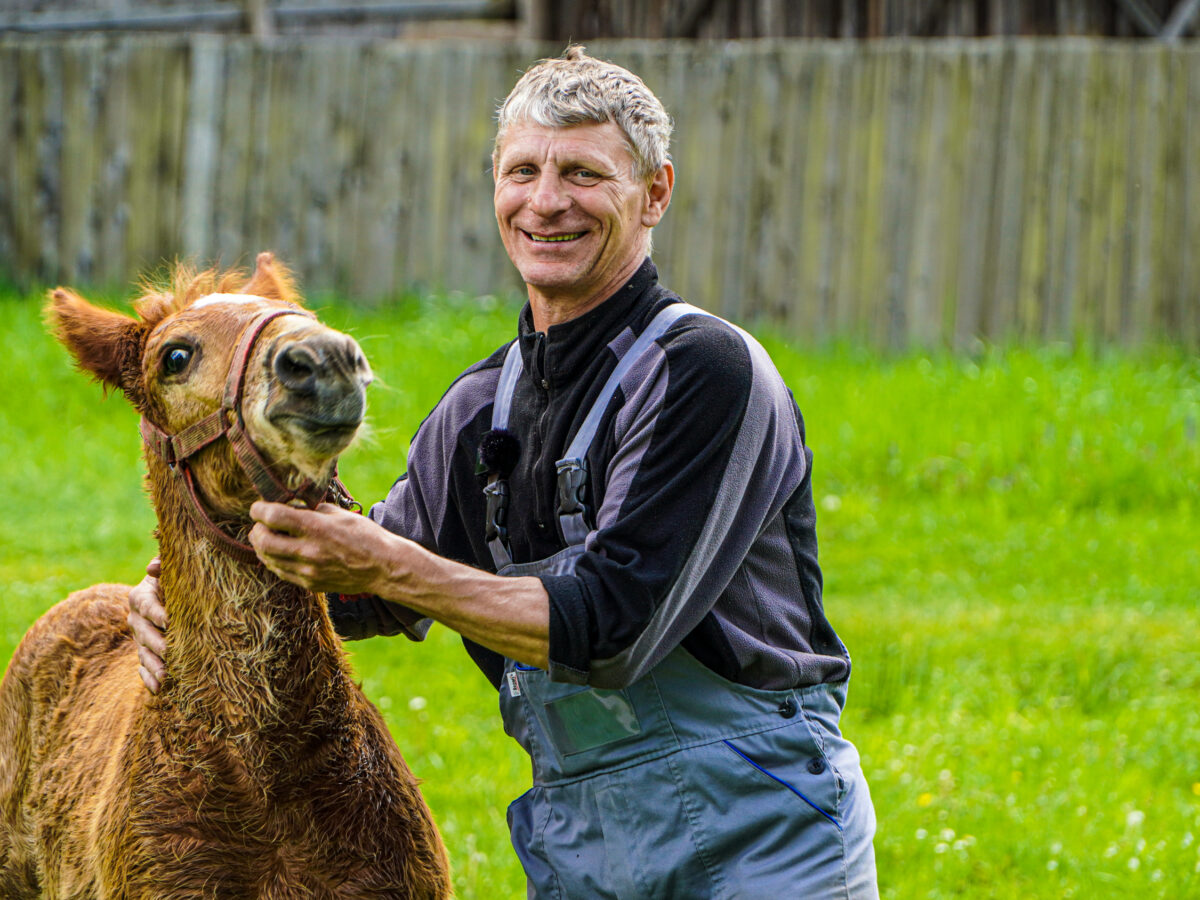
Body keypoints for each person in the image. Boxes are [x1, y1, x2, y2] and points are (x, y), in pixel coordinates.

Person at [129, 46, 879, 898]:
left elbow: (614, 629)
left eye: (584, 174)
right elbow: (360, 588)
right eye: (522, 170)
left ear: (656, 192)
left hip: (762, 828)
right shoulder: (479, 405)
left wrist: (382, 563)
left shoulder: (705, 370)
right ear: (496, 187)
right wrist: (182, 596)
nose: (546, 200)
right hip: (585, 841)